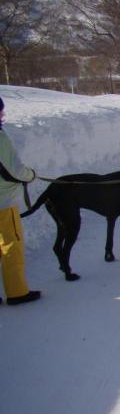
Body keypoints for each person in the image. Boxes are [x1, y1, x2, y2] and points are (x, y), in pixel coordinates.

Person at [0, 96, 41, 305]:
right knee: (10, 246)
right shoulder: (0, 137)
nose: (3, 115)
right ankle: (17, 292)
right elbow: (15, 170)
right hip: (3, 204)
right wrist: (31, 175)